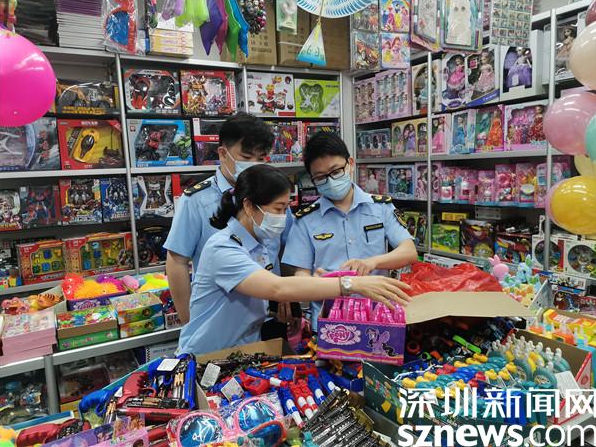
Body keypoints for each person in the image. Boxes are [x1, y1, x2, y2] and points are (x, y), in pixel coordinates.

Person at [177, 164, 411, 355]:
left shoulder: (258, 244)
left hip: (243, 350)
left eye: (286, 208)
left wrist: (320, 282)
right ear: (248, 205)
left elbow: (263, 293)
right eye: (278, 209)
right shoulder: (223, 248)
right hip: (207, 356)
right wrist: (351, 284)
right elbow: (277, 288)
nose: (283, 217)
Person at [281, 133, 418, 328]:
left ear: (350, 164)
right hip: (329, 321)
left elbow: (409, 251)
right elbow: (300, 275)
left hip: (376, 318)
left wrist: (373, 262)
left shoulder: (380, 207)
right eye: (320, 177)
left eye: (336, 171)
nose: (330, 181)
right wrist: (315, 281)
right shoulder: (305, 220)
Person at [164, 112, 281, 325]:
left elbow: (282, 250)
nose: (254, 165)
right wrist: (191, 322)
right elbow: (177, 262)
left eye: (261, 158)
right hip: (221, 321)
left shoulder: (273, 195)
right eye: (246, 158)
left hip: (271, 316)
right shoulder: (197, 200)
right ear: (223, 153)